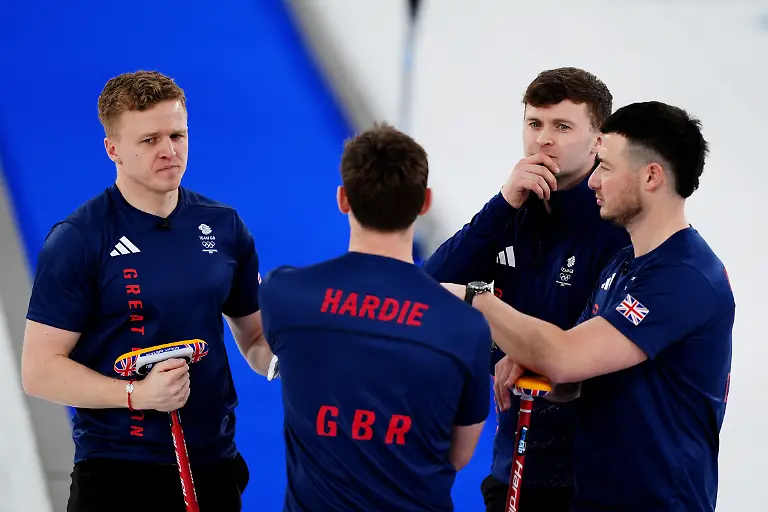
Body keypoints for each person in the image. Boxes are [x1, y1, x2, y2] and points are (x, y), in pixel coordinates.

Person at [444, 101, 734, 511]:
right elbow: (570, 372)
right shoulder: (626, 263)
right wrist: (531, 359)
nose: (593, 181)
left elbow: (565, 357)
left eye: (607, 167)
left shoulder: (683, 276)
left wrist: (476, 299)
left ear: (651, 176)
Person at [20, 70, 273, 512]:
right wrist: (136, 395)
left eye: (177, 135)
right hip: (118, 473)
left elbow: (254, 340)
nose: (169, 151)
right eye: (150, 140)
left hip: (212, 466)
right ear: (112, 149)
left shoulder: (223, 225)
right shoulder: (80, 239)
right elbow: (39, 369)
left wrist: (295, 356)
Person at [422, 67, 630, 511]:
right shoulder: (513, 209)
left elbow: (604, 344)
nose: (543, 140)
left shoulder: (618, 225)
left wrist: (531, 352)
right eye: (534, 124)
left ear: (599, 141)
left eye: (562, 126)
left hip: (593, 476)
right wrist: (502, 203)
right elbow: (427, 290)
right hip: (513, 464)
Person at [259, 122, 493, 512]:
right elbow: (457, 454)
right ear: (424, 202)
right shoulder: (465, 326)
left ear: (343, 199)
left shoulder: (286, 294)